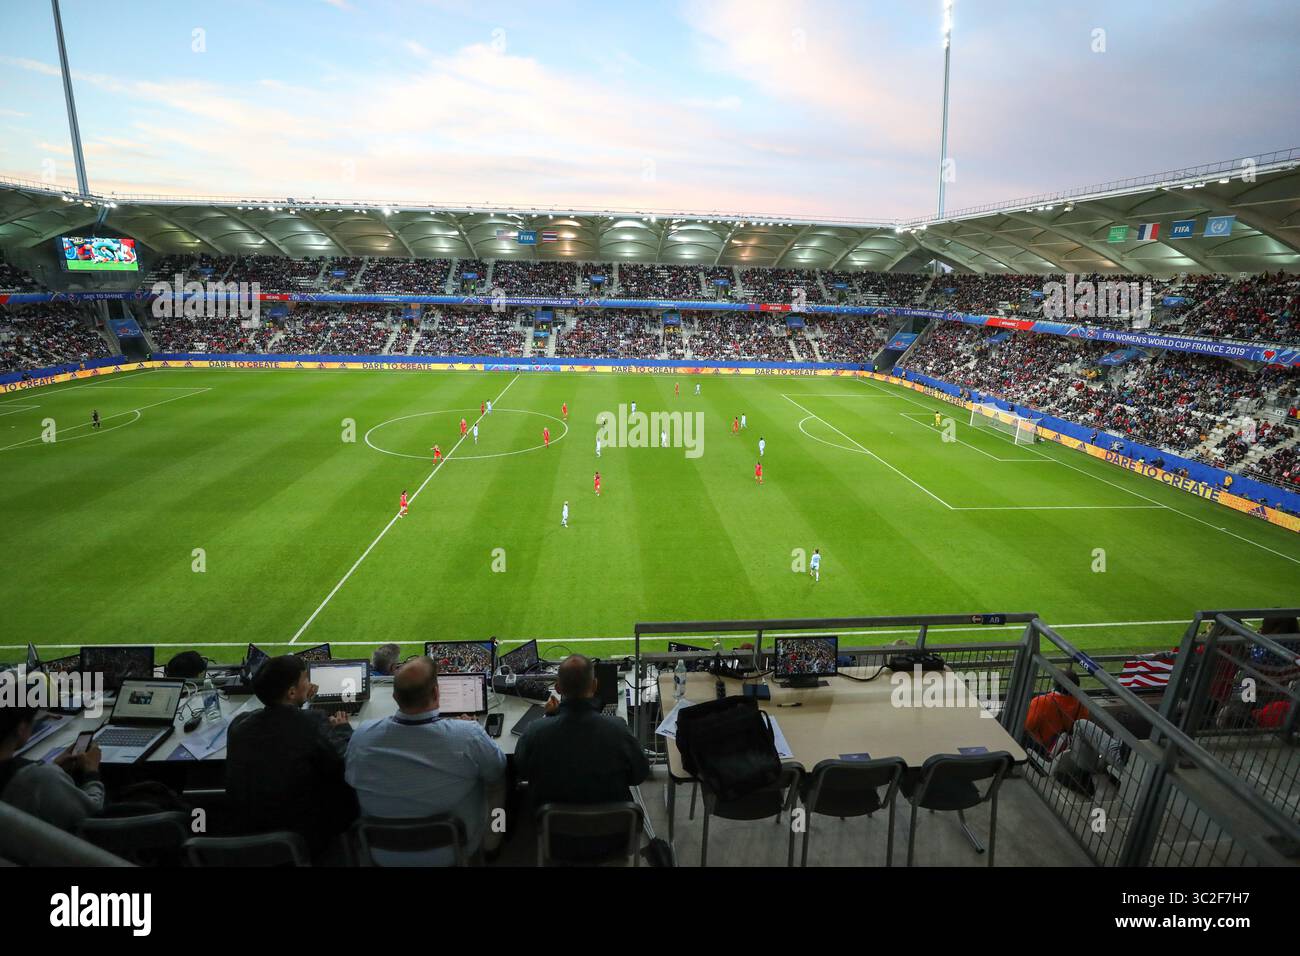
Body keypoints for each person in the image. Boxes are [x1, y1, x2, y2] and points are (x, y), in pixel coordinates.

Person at [345, 656, 506, 865]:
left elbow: (350, 779)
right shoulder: (468, 735)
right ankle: (493, 840)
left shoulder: (362, 736)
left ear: (394, 697)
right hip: (455, 849)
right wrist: (470, 730)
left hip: (383, 852)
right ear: (437, 693)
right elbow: (497, 768)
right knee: (498, 781)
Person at [515, 655, 649, 861]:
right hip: (614, 838)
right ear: (594, 685)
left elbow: (520, 771)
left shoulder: (536, 731)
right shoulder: (617, 729)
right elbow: (639, 775)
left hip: (556, 839)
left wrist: (550, 717)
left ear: (558, 688)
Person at [225, 656, 358, 858]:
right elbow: (343, 759)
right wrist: (343, 730)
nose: (310, 682)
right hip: (302, 832)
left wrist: (301, 701)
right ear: (291, 691)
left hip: (249, 828)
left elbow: (283, 729)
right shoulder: (313, 722)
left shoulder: (239, 724)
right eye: (305, 678)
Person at [0, 703, 105, 832]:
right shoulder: (37, 779)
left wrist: (54, 768)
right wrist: (92, 773)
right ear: (21, 729)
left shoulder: (38, 776)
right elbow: (94, 814)